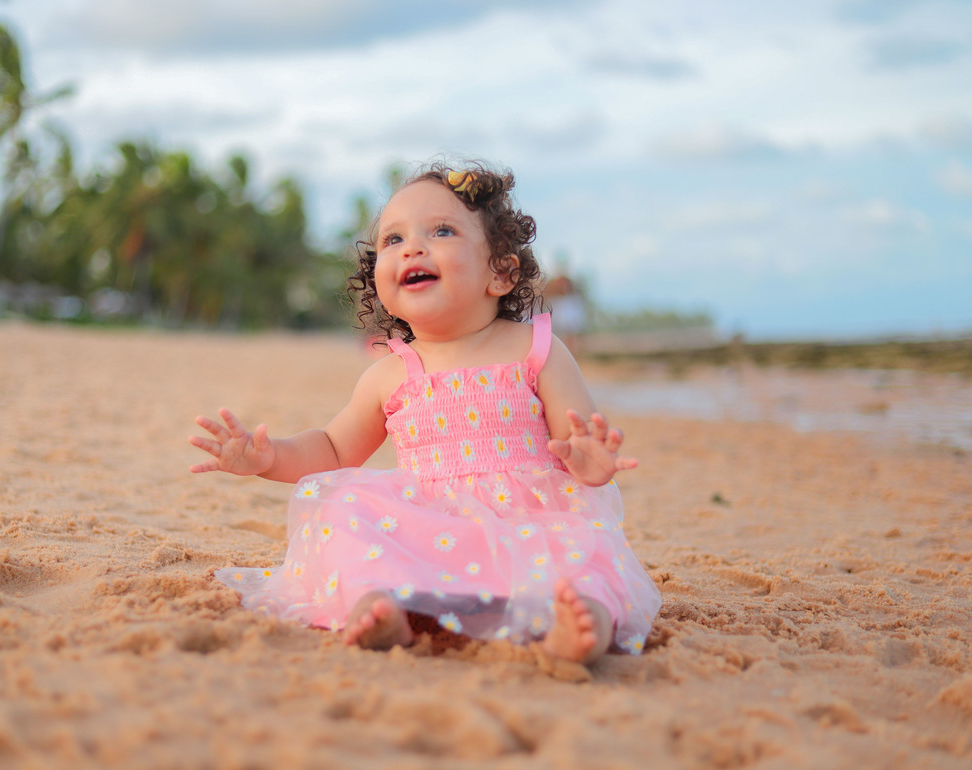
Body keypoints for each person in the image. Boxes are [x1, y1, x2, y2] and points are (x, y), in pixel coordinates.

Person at [188, 161, 660, 665]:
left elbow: (576, 438)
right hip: (428, 531)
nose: (412, 247)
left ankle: (581, 622)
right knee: (344, 511)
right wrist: (269, 457)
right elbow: (332, 449)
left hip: (531, 526)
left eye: (442, 230)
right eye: (393, 239)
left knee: (588, 556)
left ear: (500, 271)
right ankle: (378, 605)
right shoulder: (390, 374)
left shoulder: (537, 348)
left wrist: (589, 465)